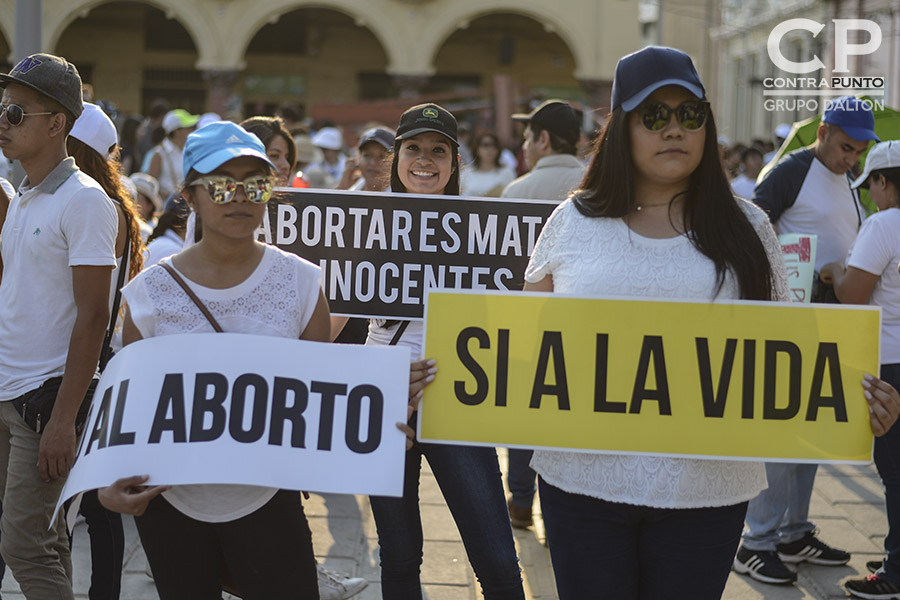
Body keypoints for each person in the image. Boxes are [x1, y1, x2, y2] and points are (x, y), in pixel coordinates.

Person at [521, 45, 899, 600]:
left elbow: (790, 352)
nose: (674, 128)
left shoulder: (749, 226)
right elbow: (525, 343)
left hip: (708, 494)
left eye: (689, 114)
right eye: (655, 115)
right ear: (623, 127)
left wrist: (856, 401)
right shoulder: (572, 221)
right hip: (581, 486)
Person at [99, 121, 330, 599]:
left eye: (256, 184)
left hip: (269, 499)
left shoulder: (303, 285)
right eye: (222, 185)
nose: (240, 197)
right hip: (171, 504)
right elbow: (132, 401)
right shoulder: (148, 294)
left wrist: (380, 412)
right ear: (190, 195)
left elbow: (321, 397)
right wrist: (107, 480)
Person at [367, 103, 526, 600]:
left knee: (497, 555)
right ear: (396, 157)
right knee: (398, 551)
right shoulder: (362, 222)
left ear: (456, 162)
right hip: (385, 397)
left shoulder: (488, 227)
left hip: (460, 397)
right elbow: (327, 322)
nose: (425, 161)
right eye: (413, 148)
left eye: (439, 151)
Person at [737, 96, 881, 585]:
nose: (851, 158)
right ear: (823, 132)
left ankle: (792, 531)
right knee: (781, 432)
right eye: (845, 147)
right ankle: (756, 541)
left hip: (830, 320)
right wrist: (798, 269)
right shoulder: (790, 172)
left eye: (860, 152)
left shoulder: (845, 179)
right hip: (795, 320)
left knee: (810, 432)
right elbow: (751, 229)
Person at [0, 53, 118, 600]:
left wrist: (65, 419)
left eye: (17, 113)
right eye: (2, 110)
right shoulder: (22, 197)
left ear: (57, 124)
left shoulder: (87, 201)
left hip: (47, 400)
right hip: (8, 390)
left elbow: (94, 314)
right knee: (44, 543)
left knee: (23, 545)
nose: (3, 121)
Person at [240, 114, 370, 600]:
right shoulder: (217, 221)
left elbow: (332, 314)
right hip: (241, 379)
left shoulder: (313, 224)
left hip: (289, 379)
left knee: (284, 497)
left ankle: (305, 575)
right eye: (260, 155)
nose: (268, 166)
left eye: (278, 157)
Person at [66, 101, 145, 600]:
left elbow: (89, 309)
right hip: (98, 368)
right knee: (97, 508)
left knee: (96, 506)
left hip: (82, 369)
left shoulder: (93, 206)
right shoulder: (109, 204)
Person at [819, 140, 900, 599]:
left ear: (884, 181)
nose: (870, 194)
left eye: (872, 185)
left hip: (888, 362)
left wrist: (834, 267)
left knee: (894, 470)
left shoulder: (883, 225)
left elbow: (852, 294)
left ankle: (896, 571)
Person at [501, 99, 585, 201]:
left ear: (543, 139)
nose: (524, 146)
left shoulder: (515, 192)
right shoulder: (597, 184)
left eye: (527, 138)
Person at [148, 109, 198, 200]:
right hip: (166, 208)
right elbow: (151, 185)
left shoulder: (187, 151)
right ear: (176, 131)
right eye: (188, 127)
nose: (191, 131)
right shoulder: (159, 153)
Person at [461, 131, 517, 197]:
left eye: (494, 145)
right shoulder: (466, 173)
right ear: (477, 149)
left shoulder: (507, 172)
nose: (490, 149)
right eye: (485, 145)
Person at [337, 126, 393, 192]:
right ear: (358, 159)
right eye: (367, 155)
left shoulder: (403, 198)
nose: (373, 163)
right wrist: (341, 190)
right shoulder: (350, 192)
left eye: (382, 156)